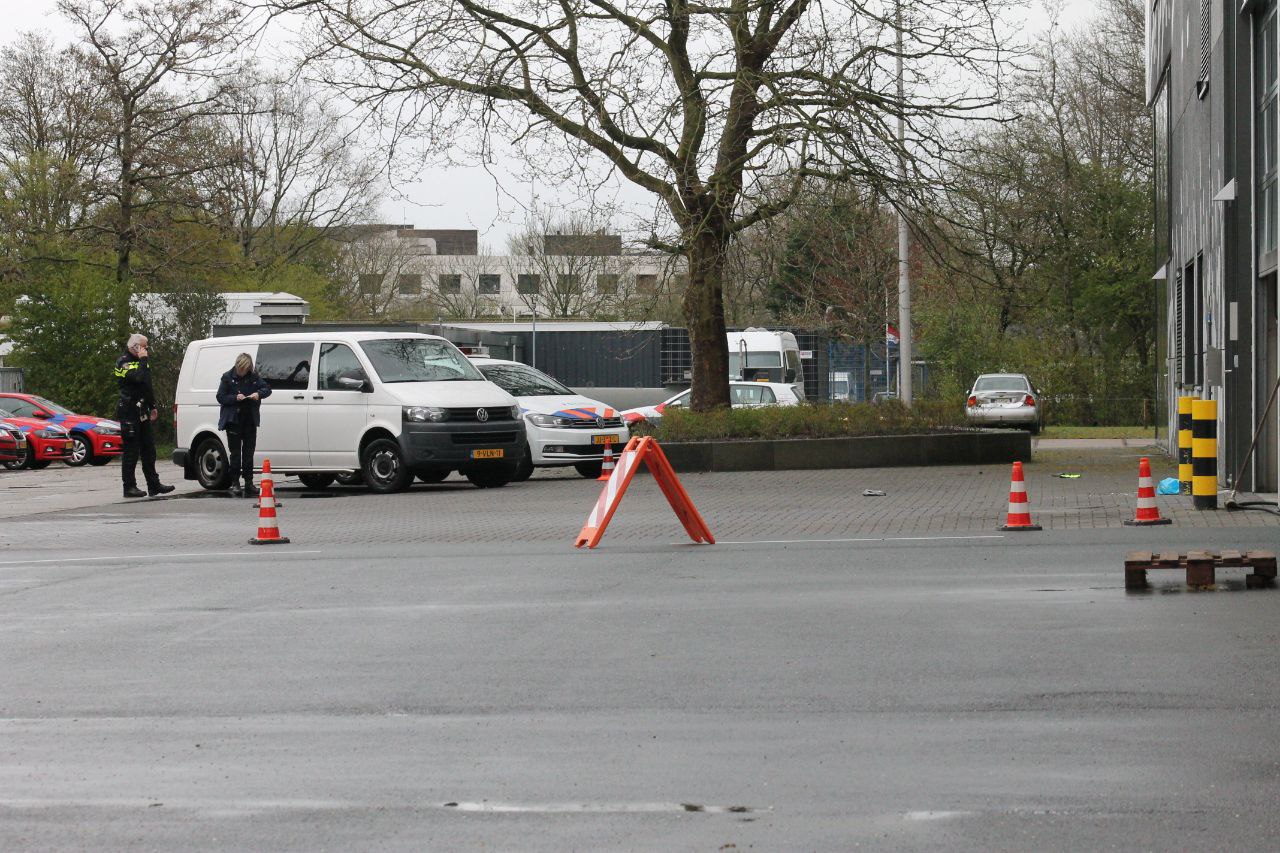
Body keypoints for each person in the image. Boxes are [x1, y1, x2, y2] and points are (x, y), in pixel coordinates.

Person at [114, 333, 174, 498]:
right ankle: (129, 487)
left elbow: (147, 385)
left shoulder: (142, 361)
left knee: (149, 449)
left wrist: (152, 405)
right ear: (135, 346)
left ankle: (154, 484)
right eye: (144, 347)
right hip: (129, 410)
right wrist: (143, 360)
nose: (146, 350)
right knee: (131, 451)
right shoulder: (123, 362)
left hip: (143, 409)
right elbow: (138, 378)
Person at [215, 353, 272, 497]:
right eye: (240, 369)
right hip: (234, 420)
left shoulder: (254, 377)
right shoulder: (227, 377)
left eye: (245, 370)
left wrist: (258, 394)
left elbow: (267, 389)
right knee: (235, 453)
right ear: (237, 366)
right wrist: (235, 398)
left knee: (248, 453)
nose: (242, 372)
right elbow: (220, 397)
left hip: (249, 420)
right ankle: (235, 482)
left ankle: (249, 483)